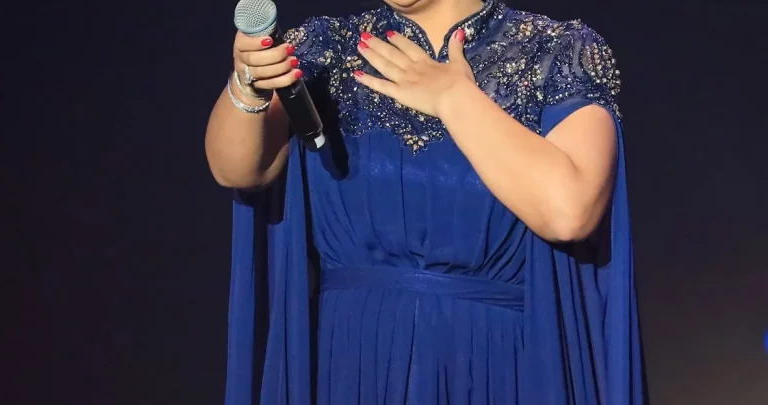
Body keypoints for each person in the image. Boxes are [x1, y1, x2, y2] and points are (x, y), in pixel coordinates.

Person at [205, 0, 645, 404]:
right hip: (348, 363)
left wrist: (454, 98)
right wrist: (247, 84)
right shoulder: (325, 46)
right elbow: (237, 170)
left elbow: (570, 212)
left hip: (490, 366)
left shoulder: (556, 51)